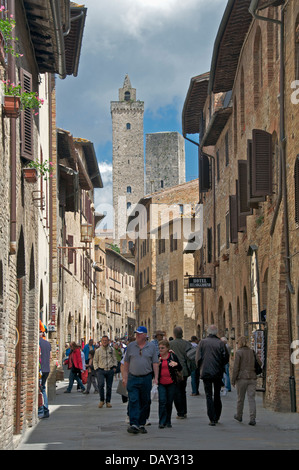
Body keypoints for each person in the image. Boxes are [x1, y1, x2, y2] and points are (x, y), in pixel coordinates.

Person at [122, 326, 159, 434]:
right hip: (133, 377)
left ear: (145, 335)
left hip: (146, 377)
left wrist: (156, 378)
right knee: (133, 400)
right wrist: (125, 377)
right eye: (136, 334)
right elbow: (126, 362)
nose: (137, 336)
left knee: (145, 401)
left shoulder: (151, 347)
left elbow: (155, 363)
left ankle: (142, 423)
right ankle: (134, 423)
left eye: (139, 334)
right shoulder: (131, 346)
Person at [196, 325, 229, 426]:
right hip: (217, 372)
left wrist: (200, 367)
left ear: (208, 332)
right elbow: (225, 357)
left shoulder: (202, 342)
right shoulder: (220, 343)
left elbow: (198, 357)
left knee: (209, 395)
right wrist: (220, 366)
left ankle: (212, 418)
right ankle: (217, 416)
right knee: (217, 394)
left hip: (206, 372)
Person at [232, 336, 262, 426]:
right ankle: (252, 418)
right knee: (251, 398)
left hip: (242, 378)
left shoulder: (239, 353)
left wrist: (233, 380)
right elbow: (260, 363)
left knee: (240, 398)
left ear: (239, 343)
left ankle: (239, 415)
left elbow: (236, 368)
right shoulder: (252, 352)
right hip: (252, 377)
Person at [158, 339, 182, 429]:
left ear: (167, 348)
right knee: (162, 401)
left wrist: (176, 364)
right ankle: (162, 421)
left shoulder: (172, 356)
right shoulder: (157, 357)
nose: (160, 350)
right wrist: (157, 364)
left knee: (169, 402)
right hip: (161, 383)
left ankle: (168, 421)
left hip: (171, 382)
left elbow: (180, 367)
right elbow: (152, 369)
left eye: (162, 348)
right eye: (159, 348)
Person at [169, 326, 192, 419]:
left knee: (176, 392)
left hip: (174, 370)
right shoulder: (186, 344)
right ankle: (184, 410)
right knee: (183, 391)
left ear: (174, 334)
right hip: (184, 370)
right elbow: (190, 358)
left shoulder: (170, 344)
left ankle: (180, 412)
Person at [93, 335, 117, 408]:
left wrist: (115, 366)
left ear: (108, 341)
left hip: (110, 369)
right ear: (101, 342)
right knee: (101, 385)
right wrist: (96, 368)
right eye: (103, 340)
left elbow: (115, 358)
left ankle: (108, 401)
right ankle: (102, 400)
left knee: (109, 386)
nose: (104, 342)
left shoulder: (111, 350)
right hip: (101, 370)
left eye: (106, 340)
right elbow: (95, 360)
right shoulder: (98, 351)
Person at [39, 331, 52, 418]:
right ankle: (46, 409)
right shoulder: (48, 344)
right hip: (46, 369)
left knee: (40, 390)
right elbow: (50, 357)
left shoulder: (38, 343)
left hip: (40, 370)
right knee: (43, 389)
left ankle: (42, 411)